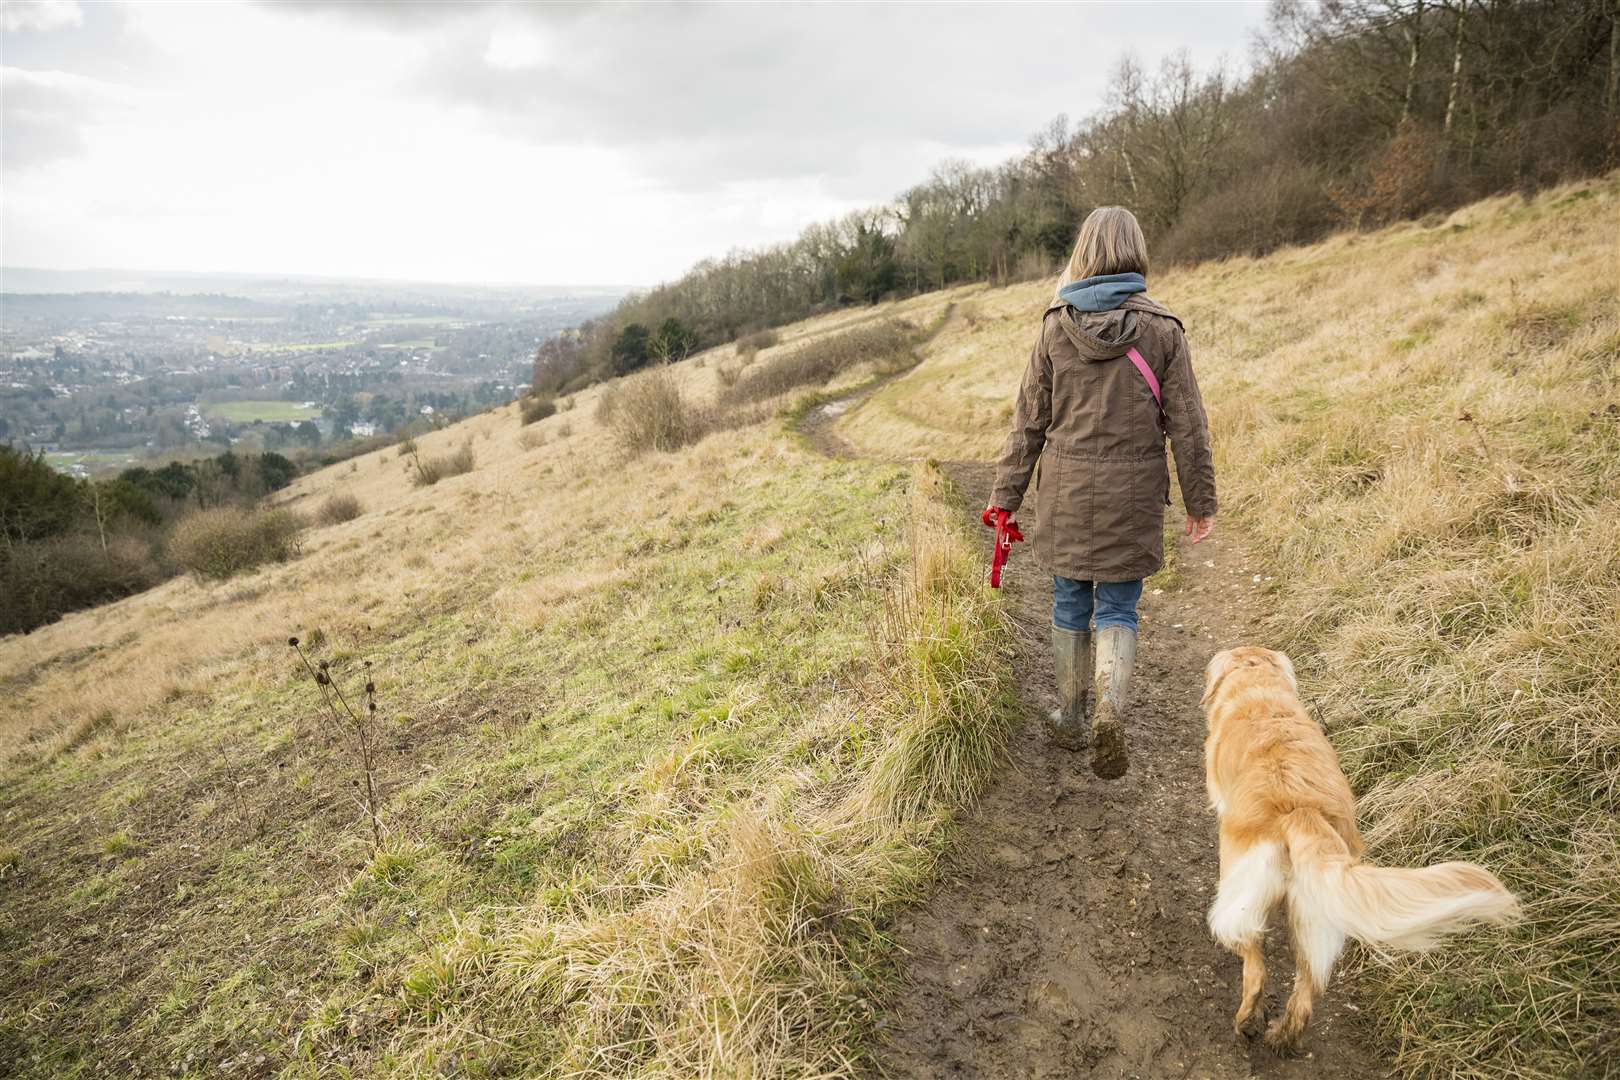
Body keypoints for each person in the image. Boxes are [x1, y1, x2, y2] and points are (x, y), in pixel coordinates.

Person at [985, 206, 1216, 779]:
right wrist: (1200, 500)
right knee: (1119, 606)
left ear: (1085, 252)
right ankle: (1111, 711)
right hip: (1133, 494)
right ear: (1135, 252)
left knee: (1069, 601)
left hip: (1064, 492)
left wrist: (1005, 498)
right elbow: (1188, 424)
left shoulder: (1053, 328)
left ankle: (1071, 714)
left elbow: (1028, 425)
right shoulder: (1163, 331)